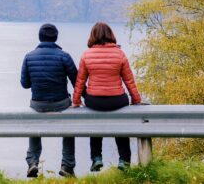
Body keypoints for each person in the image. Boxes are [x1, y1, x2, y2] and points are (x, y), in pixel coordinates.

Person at [72, 22, 142, 172]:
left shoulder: (87, 54)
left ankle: (96, 158)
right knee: (121, 127)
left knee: (95, 126)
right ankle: (124, 160)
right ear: (111, 35)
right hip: (117, 100)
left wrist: (76, 101)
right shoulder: (120, 54)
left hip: (94, 100)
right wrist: (136, 99)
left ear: (93, 36)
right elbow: (129, 80)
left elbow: (80, 81)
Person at [20, 23, 78, 178]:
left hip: (38, 104)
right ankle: (67, 165)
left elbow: (25, 84)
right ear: (56, 37)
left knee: (34, 128)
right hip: (61, 103)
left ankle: (32, 162)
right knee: (68, 129)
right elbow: (76, 81)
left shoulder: (29, 56)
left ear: (40, 37)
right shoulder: (64, 56)